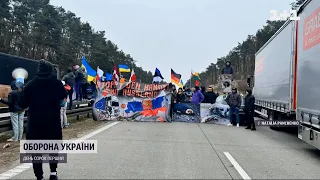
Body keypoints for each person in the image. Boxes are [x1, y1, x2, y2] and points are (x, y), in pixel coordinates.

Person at [18, 60, 67, 180]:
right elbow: (63, 96)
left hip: (35, 123)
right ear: (50, 70)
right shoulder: (56, 83)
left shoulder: (30, 85)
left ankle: (39, 176)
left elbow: (22, 104)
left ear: (38, 70)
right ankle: (53, 173)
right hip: (52, 121)